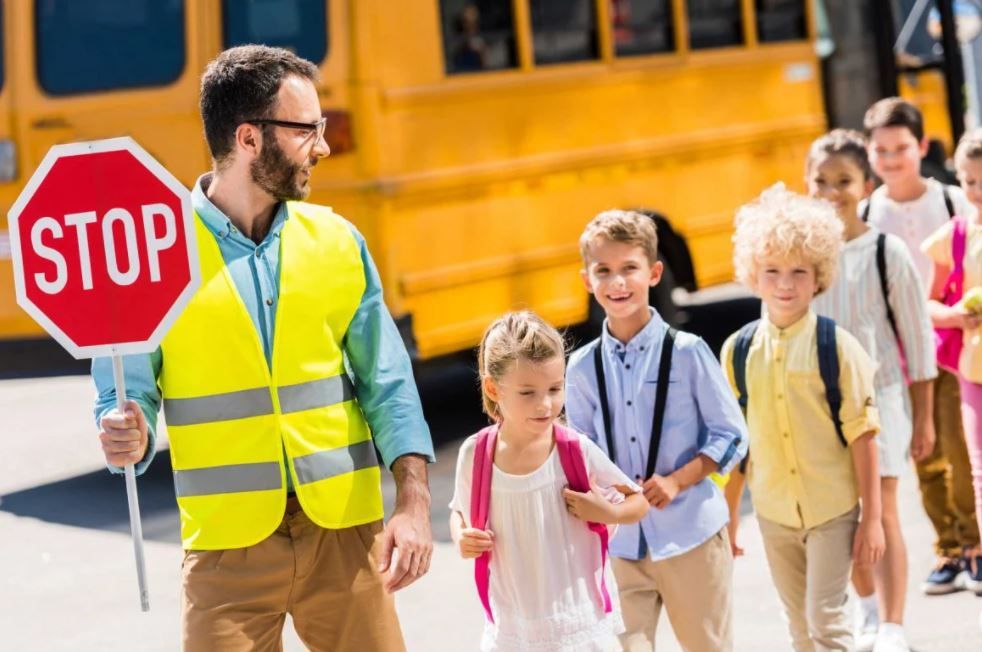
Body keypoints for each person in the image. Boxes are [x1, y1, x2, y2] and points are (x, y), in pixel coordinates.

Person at [93, 45, 434, 651]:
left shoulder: (337, 242)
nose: (322, 148)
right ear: (249, 138)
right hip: (227, 552)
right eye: (307, 130)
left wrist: (413, 502)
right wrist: (129, 431)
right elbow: (127, 396)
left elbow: (390, 385)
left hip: (343, 535)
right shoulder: (151, 256)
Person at [565, 210, 748, 652]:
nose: (617, 282)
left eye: (629, 268)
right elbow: (579, 452)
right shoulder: (582, 367)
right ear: (588, 280)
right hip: (620, 547)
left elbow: (731, 435)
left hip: (691, 536)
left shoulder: (687, 352)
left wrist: (676, 480)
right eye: (603, 271)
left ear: (654, 272)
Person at [722, 185, 885, 652]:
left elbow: (865, 437)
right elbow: (737, 447)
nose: (785, 284)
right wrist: (731, 519)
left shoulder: (838, 347)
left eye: (799, 272)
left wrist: (871, 520)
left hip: (832, 512)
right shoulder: (738, 351)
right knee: (798, 627)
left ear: (820, 276)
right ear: (754, 275)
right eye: (771, 271)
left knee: (825, 621)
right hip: (773, 515)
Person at [807, 129, 937, 652]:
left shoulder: (887, 252)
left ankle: (893, 624)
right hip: (817, 407)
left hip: (880, 401)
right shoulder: (803, 258)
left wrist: (923, 418)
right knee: (841, 521)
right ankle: (864, 610)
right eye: (821, 180)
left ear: (865, 185)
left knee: (878, 511)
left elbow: (919, 342)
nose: (832, 190)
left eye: (844, 180)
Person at [449, 311, 649, 651]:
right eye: (528, 393)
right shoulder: (476, 454)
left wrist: (608, 512)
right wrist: (460, 537)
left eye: (555, 389)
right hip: (514, 626)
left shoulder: (574, 450)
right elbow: (459, 511)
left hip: (577, 625)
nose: (546, 404)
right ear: (492, 388)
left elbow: (638, 501)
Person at [863, 98, 981, 602]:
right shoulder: (870, 212)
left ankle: (973, 543)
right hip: (895, 349)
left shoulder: (954, 201)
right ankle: (947, 546)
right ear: (869, 153)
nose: (891, 159)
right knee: (922, 451)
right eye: (882, 150)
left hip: (949, 345)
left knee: (957, 444)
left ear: (922, 148)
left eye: (902, 148)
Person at [923, 128, 982, 621]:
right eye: (969, 181)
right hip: (973, 368)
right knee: (977, 464)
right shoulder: (955, 235)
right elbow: (929, 302)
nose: (977, 191)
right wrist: (957, 314)